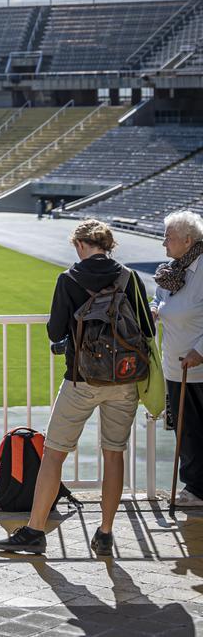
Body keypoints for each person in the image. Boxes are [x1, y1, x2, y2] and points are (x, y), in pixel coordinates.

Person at [0, 219, 153, 556]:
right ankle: (106, 532)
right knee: (114, 454)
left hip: (81, 378)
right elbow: (146, 328)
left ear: (81, 246)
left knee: (54, 453)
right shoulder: (129, 277)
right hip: (124, 378)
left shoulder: (69, 279)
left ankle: (35, 530)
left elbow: (55, 332)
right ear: (108, 245)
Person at [153, 211, 203, 507]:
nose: (164, 243)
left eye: (169, 237)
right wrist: (154, 308)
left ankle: (197, 489)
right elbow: (159, 297)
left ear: (188, 240)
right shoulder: (172, 270)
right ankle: (195, 488)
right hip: (175, 366)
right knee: (185, 432)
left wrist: (201, 350)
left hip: (197, 367)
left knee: (197, 431)